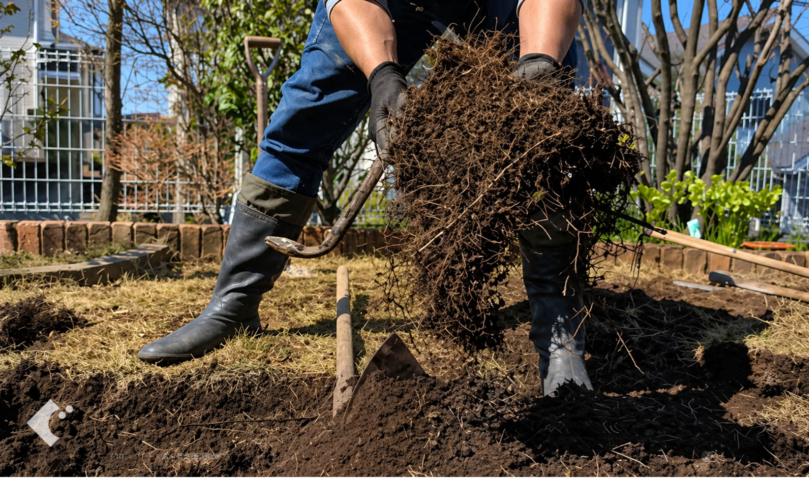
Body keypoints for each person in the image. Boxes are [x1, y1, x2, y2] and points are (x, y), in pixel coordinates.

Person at [138, 0, 592, 395]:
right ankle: (233, 306)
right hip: (392, 1)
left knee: (542, 130)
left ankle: (560, 334)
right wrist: (383, 77)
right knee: (303, 118)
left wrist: (540, 62)